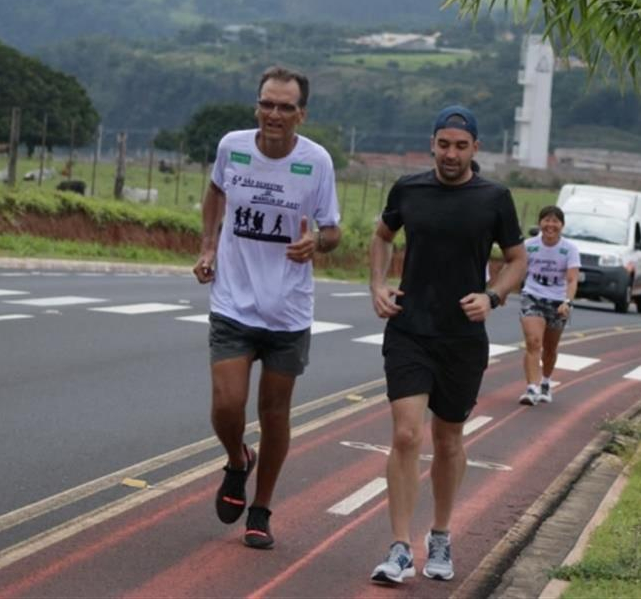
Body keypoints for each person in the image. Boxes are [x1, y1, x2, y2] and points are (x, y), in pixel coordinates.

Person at [368, 105, 526, 584]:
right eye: (443, 144)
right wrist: (377, 283)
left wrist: (492, 294)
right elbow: (382, 235)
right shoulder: (408, 189)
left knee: (449, 438)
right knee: (405, 434)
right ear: (432, 143)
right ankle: (399, 548)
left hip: (461, 337)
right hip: (409, 327)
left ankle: (440, 534)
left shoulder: (494, 198)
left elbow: (517, 259)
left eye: (461, 145)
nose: (451, 154)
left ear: (476, 149)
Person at [193, 66, 341, 550]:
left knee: (275, 413)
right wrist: (208, 247)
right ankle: (238, 460)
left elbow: (334, 231)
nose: (273, 115)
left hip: (287, 312)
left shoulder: (316, 162)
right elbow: (216, 191)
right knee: (227, 404)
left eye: (284, 107)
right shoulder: (232, 146)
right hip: (234, 302)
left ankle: (261, 509)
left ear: (301, 113)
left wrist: (315, 242)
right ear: (257, 105)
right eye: (266, 104)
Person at [518, 205, 580, 406]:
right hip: (533, 296)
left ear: (561, 225)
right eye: (546, 220)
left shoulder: (569, 249)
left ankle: (545, 381)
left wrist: (567, 301)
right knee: (533, 342)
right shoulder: (529, 245)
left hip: (557, 301)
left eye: (555, 221)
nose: (550, 225)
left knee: (550, 348)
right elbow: (517, 269)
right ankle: (532, 388)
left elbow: (572, 279)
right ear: (540, 223)